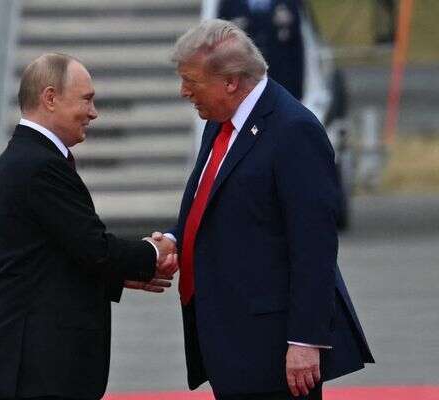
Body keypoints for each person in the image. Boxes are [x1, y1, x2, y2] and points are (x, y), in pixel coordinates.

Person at [0, 53, 178, 400]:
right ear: (50, 98)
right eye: (86, 100)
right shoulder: (39, 166)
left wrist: (121, 275)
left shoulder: (30, 157)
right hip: (40, 364)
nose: (93, 113)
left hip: (38, 360)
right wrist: (155, 250)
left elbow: (55, 256)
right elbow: (95, 248)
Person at [151, 19, 374, 400]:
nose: (184, 91)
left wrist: (305, 341)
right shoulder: (221, 121)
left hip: (272, 346)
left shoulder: (294, 131)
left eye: (191, 81)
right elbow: (216, 204)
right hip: (230, 338)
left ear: (230, 82)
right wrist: (175, 238)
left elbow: (314, 246)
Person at [218, 0, 305, 100]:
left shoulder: (290, 3)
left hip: (282, 84)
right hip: (242, 84)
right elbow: (219, 45)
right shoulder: (229, 3)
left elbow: (297, 46)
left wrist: (297, 93)